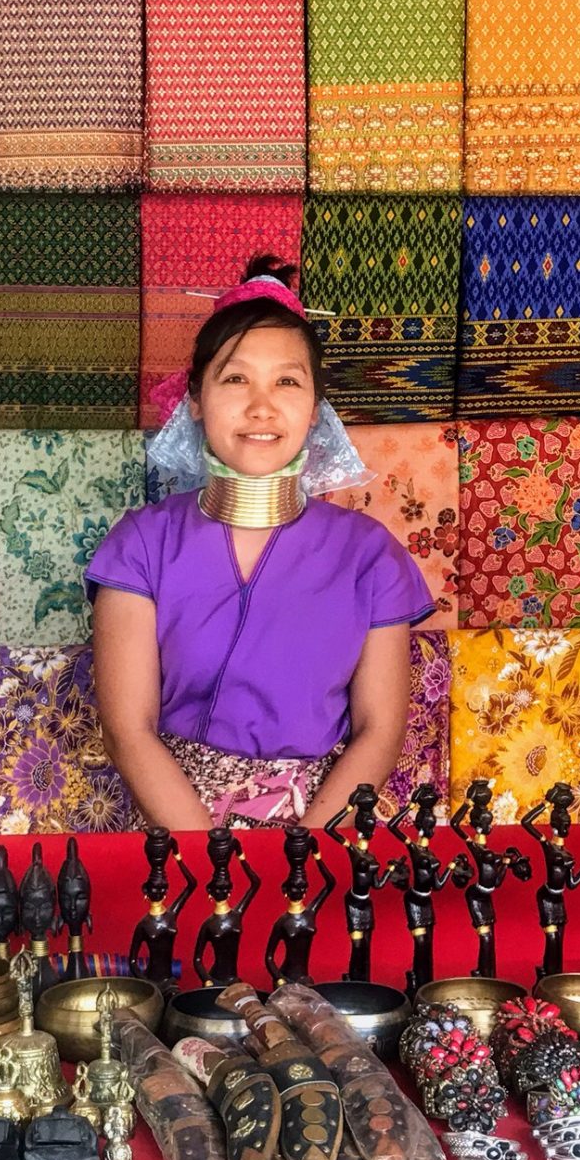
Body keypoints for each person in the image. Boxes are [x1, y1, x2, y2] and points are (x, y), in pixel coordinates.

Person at [87, 255, 434, 830]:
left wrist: (302, 857)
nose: (261, 406)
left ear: (317, 408)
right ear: (195, 399)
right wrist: (209, 859)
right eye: (235, 378)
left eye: (288, 381)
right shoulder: (141, 546)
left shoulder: (370, 557)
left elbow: (379, 734)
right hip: (170, 834)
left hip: (323, 833)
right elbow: (128, 731)